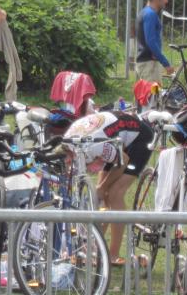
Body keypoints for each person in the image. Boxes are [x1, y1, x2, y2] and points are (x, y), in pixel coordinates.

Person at [63, 110, 154, 265]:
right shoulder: (68, 141)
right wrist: (100, 188)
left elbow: (123, 161)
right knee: (101, 195)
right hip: (113, 137)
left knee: (114, 193)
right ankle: (91, 248)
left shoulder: (93, 148)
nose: (71, 167)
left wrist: (102, 187)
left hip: (140, 139)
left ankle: (113, 254)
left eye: (70, 163)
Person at [135, 0, 174, 83]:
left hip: (147, 63)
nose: (166, 1)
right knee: (153, 92)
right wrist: (166, 63)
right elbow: (151, 41)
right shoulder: (150, 15)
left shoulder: (145, 12)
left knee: (151, 92)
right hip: (149, 66)